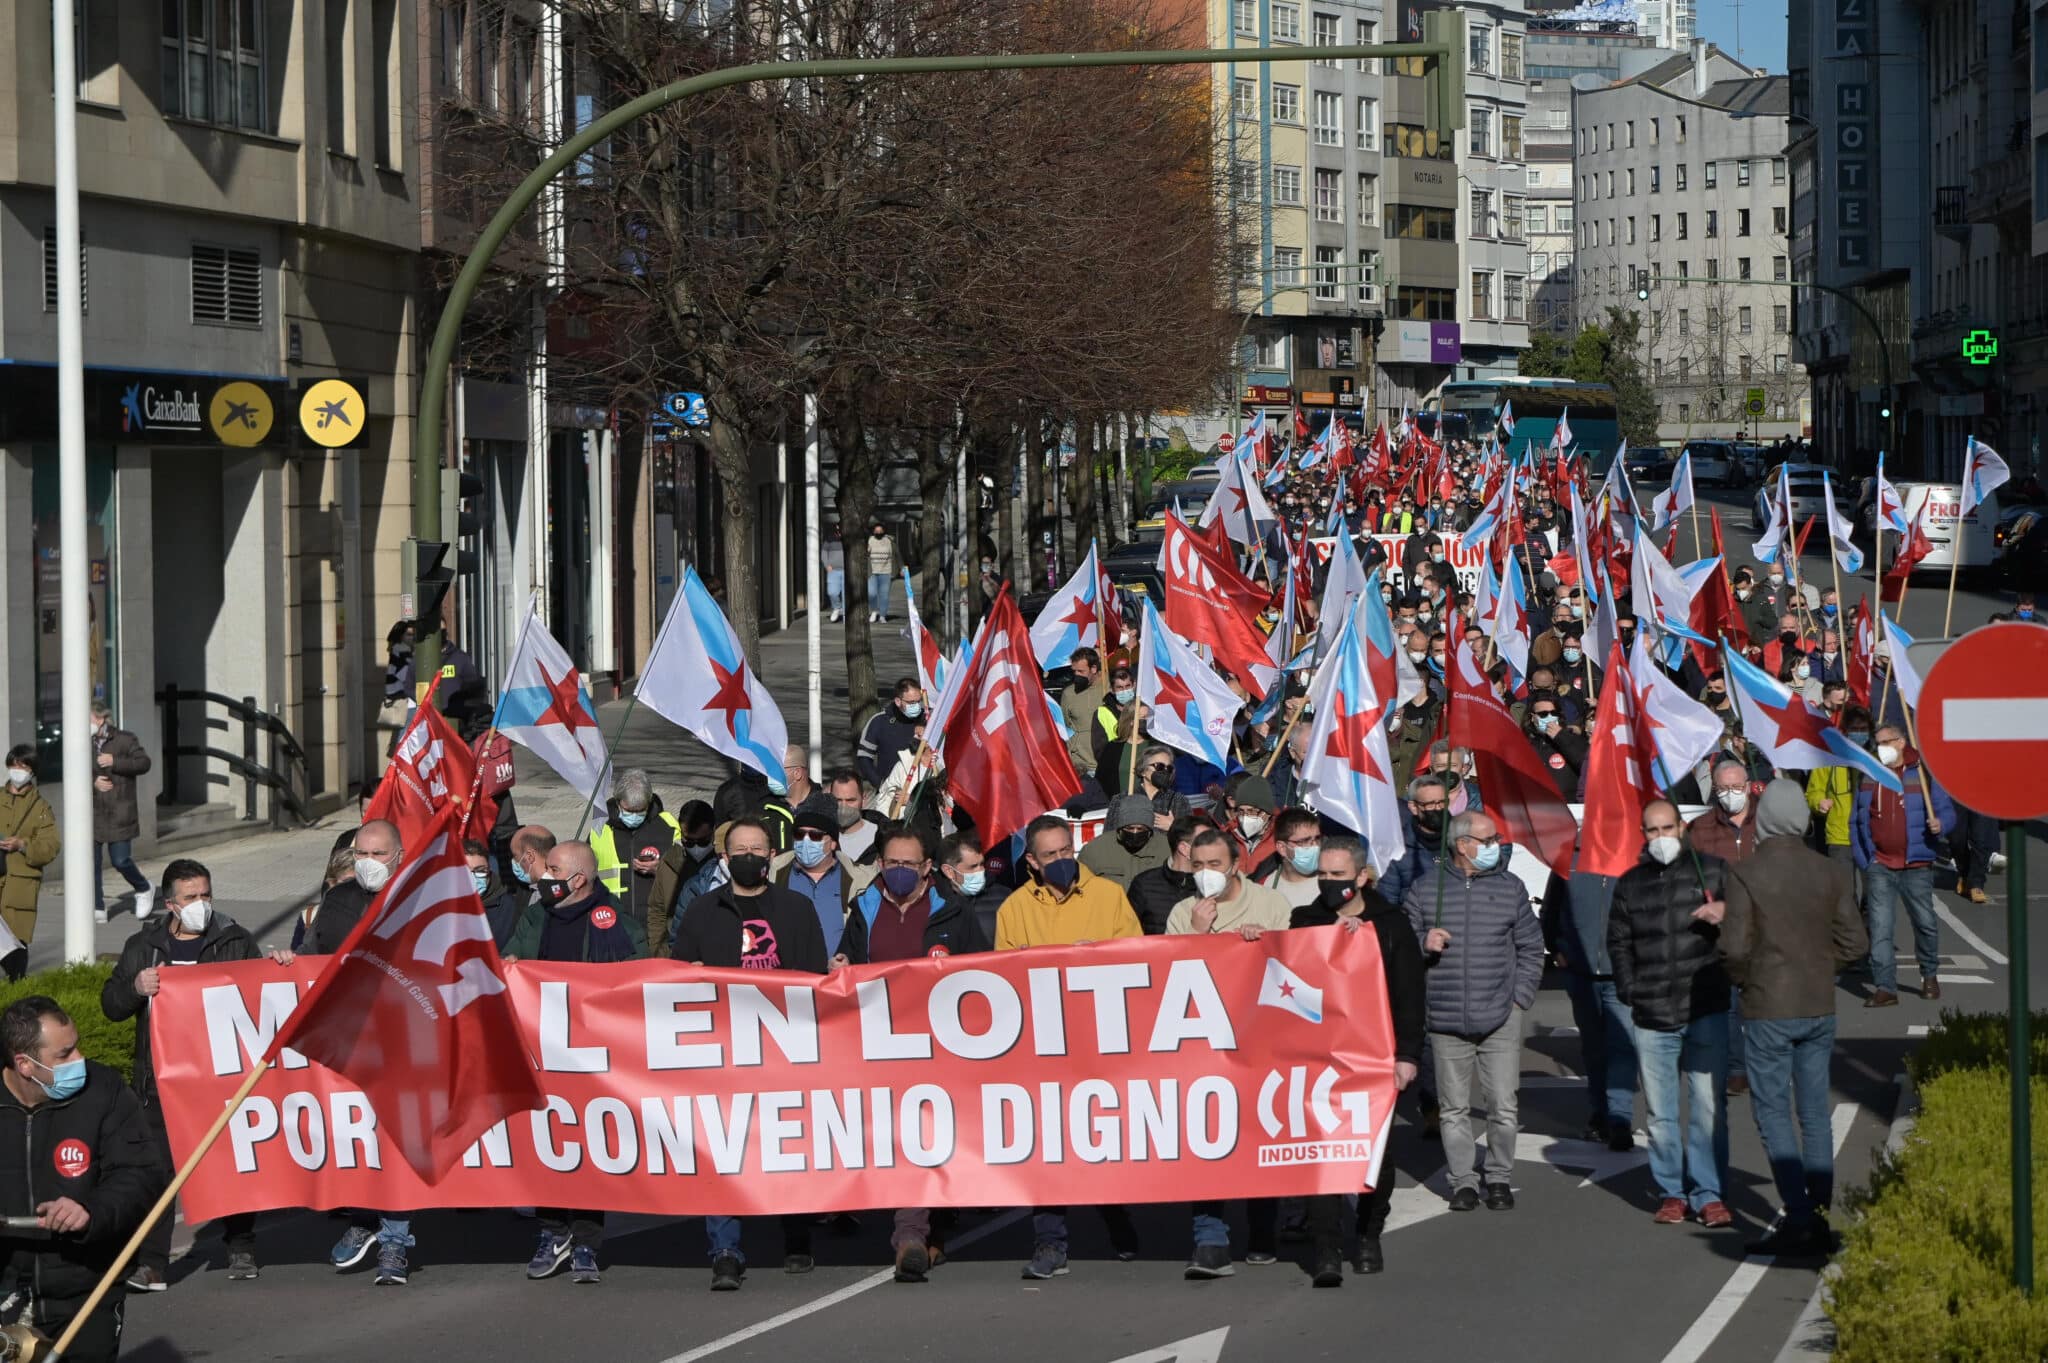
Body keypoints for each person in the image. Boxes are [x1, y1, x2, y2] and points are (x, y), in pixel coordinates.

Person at [102, 859, 289, 1287]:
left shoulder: (235, 940)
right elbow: (110, 1006)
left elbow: (261, 1000)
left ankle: (240, 1246)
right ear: (170, 904)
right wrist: (135, 989)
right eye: (191, 898)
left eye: (206, 894)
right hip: (161, 1082)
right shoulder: (143, 946)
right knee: (157, 1174)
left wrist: (281, 967)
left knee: (235, 1163)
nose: (201, 904)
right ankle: (152, 1263)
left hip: (223, 1078)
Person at [671, 819, 828, 1288]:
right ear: (726, 857)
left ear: (771, 855)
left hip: (784, 1050)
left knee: (790, 1146)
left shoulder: (796, 909)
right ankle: (725, 1249)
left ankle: (796, 1234)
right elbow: (678, 979)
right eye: (740, 849)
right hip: (722, 1053)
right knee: (724, 1151)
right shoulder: (701, 911)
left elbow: (815, 978)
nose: (749, 856)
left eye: (757, 849)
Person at [1720, 780, 1868, 1256]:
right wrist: (1823, 967)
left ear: (1764, 820)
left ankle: (1799, 1215)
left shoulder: (1746, 873)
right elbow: (1855, 944)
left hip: (1767, 1004)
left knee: (1772, 1112)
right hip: (1817, 1002)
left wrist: (1747, 978)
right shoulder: (1829, 872)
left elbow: (1736, 947)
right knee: (1813, 1113)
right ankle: (1819, 1217)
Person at [833, 827, 988, 1283]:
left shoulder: (954, 911)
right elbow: (847, 961)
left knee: (936, 1138)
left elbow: (982, 975)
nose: (898, 871)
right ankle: (910, 1237)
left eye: (908, 864)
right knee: (908, 1139)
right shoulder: (864, 909)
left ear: (926, 868)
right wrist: (840, 967)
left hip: (942, 1045)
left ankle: (927, 1229)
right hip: (882, 1045)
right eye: (890, 863)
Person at [996, 815, 1143, 1279]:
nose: (1062, 861)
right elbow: (1007, 982)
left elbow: (1140, 960)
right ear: (1033, 863)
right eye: (1051, 855)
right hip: (1044, 1047)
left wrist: (1097, 957)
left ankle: (1115, 1215)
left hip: (1102, 1041)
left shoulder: (1109, 896)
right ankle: (1050, 1243)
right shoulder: (1014, 909)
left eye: (1066, 851)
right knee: (1049, 1148)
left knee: (1102, 1139)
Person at [503, 842, 645, 1285]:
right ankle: (551, 1231)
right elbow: (513, 959)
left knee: (588, 1148)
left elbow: (639, 976)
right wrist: (508, 963)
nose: (543, 875)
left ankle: (586, 1241)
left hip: (593, 1058)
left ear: (578, 880)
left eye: (553, 869)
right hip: (541, 1052)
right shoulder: (535, 915)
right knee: (547, 1143)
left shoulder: (617, 921)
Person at [0, 996, 161, 1361]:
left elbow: (141, 1175)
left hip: (87, 1292)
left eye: (77, 1047)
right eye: (65, 1054)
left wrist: (91, 1211)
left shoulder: (105, 1091)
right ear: (24, 1064)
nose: (80, 1061)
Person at [1297, 836, 1424, 1284]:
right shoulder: (1304, 921)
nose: (1330, 883)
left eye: (1339, 876)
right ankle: (1327, 1249)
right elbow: (1280, 973)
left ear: (1362, 877)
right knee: (1321, 1156)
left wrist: (1407, 1055)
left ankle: (1368, 1233)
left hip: (1376, 1058)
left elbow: (1410, 995)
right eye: (1324, 876)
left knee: (1377, 1158)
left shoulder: (1391, 925)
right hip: (1318, 1059)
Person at [1166, 828, 1292, 1278]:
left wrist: (1263, 946)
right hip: (1205, 1046)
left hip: (1261, 1040)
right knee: (1209, 1139)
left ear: (1235, 865)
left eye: (1215, 866)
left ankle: (1262, 1227)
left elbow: (1290, 966)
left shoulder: (1270, 905)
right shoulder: (1183, 913)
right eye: (1197, 867)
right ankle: (1210, 1239)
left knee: (1259, 1134)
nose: (1205, 875)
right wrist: (1202, 934)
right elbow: (1174, 979)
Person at [1402, 811, 1542, 1213]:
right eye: (1488, 838)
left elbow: (1531, 947)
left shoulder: (1510, 888)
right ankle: (1462, 1180)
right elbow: (1400, 947)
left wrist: (1519, 999)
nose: (1496, 844)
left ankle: (1498, 1177)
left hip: (1500, 1014)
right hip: (1445, 1019)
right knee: (1454, 1108)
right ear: (1463, 845)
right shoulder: (1427, 890)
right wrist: (1421, 941)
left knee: (1503, 1105)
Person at [1607, 802, 1734, 1228]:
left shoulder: (1713, 872)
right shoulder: (1631, 883)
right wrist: (1630, 989)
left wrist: (1726, 915)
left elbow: (1751, 924)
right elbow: (1619, 942)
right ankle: (1671, 1192)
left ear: (1682, 826)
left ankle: (1709, 1193)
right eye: (1652, 830)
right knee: (1661, 1116)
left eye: (1667, 827)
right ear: (1642, 833)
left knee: (1708, 1108)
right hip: (1652, 1013)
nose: (1661, 837)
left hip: (1707, 1009)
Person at [318, 818, 417, 1285]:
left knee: (394, 1141)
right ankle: (363, 1218)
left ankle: (395, 1241)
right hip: (348, 1041)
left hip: (404, 1044)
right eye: (361, 854)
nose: (369, 863)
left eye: (378, 855)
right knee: (355, 1136)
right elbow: (314, 960)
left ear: (399, 856)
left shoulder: (419, 902)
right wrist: (286, 963)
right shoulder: (337, 903)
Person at [1851, 725, 1955, 1006]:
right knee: (1880, 927)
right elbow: (1858, 818)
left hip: (1916, 864)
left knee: (1925, 923)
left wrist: (1940, 824)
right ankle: (1885, 987)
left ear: (1901, 742)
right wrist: (1866, 859)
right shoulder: (1871, 774)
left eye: (1886, 742)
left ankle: (1929, 974)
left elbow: (1947, 811)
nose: (1881, 747)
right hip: (1881, 864)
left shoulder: (1923, 773)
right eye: (1878, 742)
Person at [773, 796, 869, 956]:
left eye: (815, 835)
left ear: (832, 842)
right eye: (799, 834)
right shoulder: (774, 872)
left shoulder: (860, 878)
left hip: (837, 976)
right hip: (787, 975)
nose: (805, 840)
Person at [90, 700, 153, 924]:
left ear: (100, 718)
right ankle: (97, 905)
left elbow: (144, 763)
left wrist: (115, 761)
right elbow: (71, 771)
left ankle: (143, 887)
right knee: (91, 862)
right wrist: (92, 782)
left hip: (119, 810)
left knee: (120, 860)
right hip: (93, 811)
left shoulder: (125, 739)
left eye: (88, 718)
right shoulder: (82, 741)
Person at [589, 768, 680, 921]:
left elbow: (686, 869)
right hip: (611, 919)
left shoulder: (668, 826)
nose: (634, 816)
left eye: (640, 811)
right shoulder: (601, 826)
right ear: (618, 803)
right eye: (629, 811)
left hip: (656, 920)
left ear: (649, 803)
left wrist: (661, 869)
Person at [0, 745, 59, 980]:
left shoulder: (41, 808)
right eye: (13, 765)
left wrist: (22, 845)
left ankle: (17, 991)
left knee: (16, 941)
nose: (17, 771)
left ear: (32, 771)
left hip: (20, 884)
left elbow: (50, 846)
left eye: (22, 767)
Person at [646, 801, 716, 954]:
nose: (696, 847)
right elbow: (657, 910)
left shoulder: (724, 863)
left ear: (713, 831)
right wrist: (657, 953)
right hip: (674, 955)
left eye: (703, 841)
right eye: (689, 842)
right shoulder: (669, 863)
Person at [1378, 774, 1451, 908]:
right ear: (1413, 807)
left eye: (1442, 802)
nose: (1438, 808)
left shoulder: (1463, 839)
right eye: (1430, 804)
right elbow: (1387, 904)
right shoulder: (1397, 850)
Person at [1126, 815, 1202, 935]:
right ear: (1185, 849)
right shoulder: (1144, 885)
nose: (1214, 847)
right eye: (1206, 841)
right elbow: (1128, 934)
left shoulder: (1216, 884)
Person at [1078, 795, 1166, 890]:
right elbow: (1080, 887)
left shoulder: (1166, 849)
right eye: (1130, 828)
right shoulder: (1095, 850)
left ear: (1149, 831)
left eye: (1140, 829)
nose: (1135, 832)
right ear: (1120, 828)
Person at [935, 835, 1006, 948]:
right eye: (972, 867)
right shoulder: (933, 904)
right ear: (949, 871)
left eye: (982, 864)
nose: (981, 871)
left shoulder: (1004, 897)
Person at [1688, 762, 1762, 864]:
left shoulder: (1765, 818)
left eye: (1737, 786)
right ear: (1714, 789)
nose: (1730, 793)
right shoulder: (1702, 825)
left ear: (1748, 787)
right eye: (1723, 788)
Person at [857, 680, 925, 789]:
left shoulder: (928, 720)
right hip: (890, 791)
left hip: (922, 791)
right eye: (911, 702)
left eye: (918, 701)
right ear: (898, 701)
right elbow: (864, 757)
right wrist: (880, 784)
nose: (916, 706)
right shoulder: (879, 721)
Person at [1256, 808, 1326, 911]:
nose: (1315, 846)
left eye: (1317, 838)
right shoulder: (1263, 887)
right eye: (1304, 841)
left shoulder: (1331, 882)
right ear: (1282, 848)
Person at [464, 838, 522, 949]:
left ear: (489, 870)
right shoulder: (442, 907)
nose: (473, 877)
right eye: (465, 871)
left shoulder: (509, 907)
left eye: (480, 870)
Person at [1059, 648, 1108, 777]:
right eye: (1074, 671)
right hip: (1081, 766)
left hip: (1108, 763)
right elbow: (1066, 727)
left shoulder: (1110, 687)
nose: (1077, 675)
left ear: (1093, 668)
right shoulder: (1069, 694)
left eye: (1081, 671)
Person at [826, 768, 881, 863]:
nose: (843, 806)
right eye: (838, 800)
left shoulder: (881, 837)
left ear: (863, 800)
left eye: (850, 800)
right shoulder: (818, 837)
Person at [823, 527, 846, 622]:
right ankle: (837, 608)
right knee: (832, 592)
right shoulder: (829, 539)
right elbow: (824, 553)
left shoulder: (851, 538)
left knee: (846, 594)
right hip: (833, 571)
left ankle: (846, 614)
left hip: (847, 571)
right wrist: (827, 565)